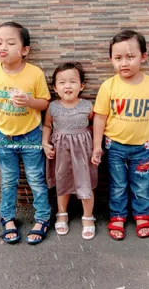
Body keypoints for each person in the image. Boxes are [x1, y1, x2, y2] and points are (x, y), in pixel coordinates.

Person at [0, 21, 51, 244]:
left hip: (31, 135)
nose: (3, 47)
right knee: (8, 180)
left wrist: (29, 101)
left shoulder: (34, 73)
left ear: (25, 50)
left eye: (10, 42)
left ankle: (42, 217)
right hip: (3, 136)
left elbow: (45, 103)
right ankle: (7, 218)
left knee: (36, 178)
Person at [92, 29, 149, 240]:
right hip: (114, 147)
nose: (124, 63)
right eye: (118, 58)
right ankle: (117, 216)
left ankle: (142, 214)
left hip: (143, 148)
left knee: (142, 184)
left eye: (130, 57)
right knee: (117, 184)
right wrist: (97, 146)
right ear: (111, 60)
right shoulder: (108, 86)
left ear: (143, 56)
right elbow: (99, 117)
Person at [42, 62, 97, 239]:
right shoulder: (52, 107)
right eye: (62, 82)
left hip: (83, 151)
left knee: (85, 182)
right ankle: (62, 213)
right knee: (63, 181)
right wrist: (45, 144)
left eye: (73, 81)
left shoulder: (88, 106)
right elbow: (47, 125)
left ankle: (88, 217)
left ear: (82, 86)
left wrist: (97, 147)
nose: (67, 86)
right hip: (61, 151)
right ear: (55, 88)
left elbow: (94, 126)